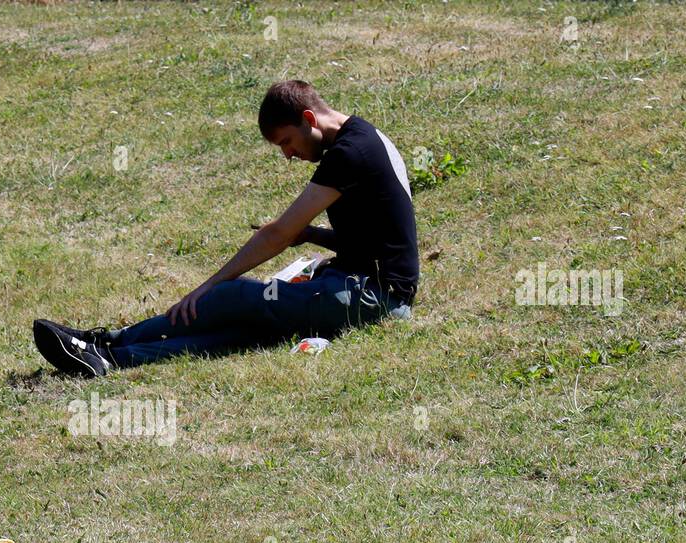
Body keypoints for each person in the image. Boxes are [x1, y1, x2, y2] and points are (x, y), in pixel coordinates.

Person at [32, 79, 419, 377]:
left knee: (233, 297)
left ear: (308, 120)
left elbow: (278, 234)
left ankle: (105, 342)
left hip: (372, 297)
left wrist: (208, 285)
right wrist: (312, 235)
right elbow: (377, 240)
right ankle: (114, 356)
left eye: (287, 142)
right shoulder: (361, 137)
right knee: (246, 331)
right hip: (374, 291)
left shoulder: (349, 154)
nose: (288, 155)